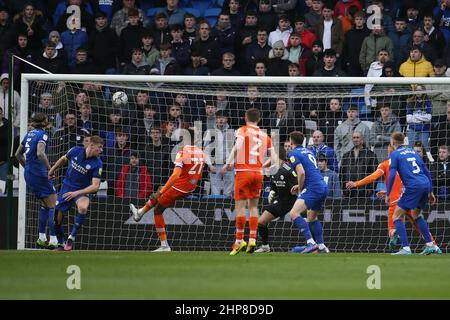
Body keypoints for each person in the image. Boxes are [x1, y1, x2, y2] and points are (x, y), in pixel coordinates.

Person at [346, 144, 438, 251]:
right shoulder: (405, 163)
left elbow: (374, 177)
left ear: (389, 151)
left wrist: (356, 183)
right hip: (409, 196)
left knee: (393, 225)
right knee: (417, 223)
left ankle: (398, 238)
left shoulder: (385, 164)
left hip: (395, 201)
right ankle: (434, 246)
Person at [130, 139, 206, 252]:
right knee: (162, 189)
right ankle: (140, 213)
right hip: (190, 188)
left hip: (179, 187)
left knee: (158, 210)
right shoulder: (201, 153)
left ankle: (164, 245)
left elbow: (175, 175)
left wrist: (160, 193)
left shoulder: (182, 152)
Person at [221, 108, 276, 255]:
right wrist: (262, 166)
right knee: (253, 207)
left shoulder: (242, 130)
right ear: (259, 119)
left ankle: (239, 240)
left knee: (240, 207)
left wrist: (229, 162)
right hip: (258, 174)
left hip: (243, 173)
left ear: (245, 118)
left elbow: (238, 146)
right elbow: (275, 158)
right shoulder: (265, 136)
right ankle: (252, 239)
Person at [386, 132, 441, 255]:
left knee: (396, 216)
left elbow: (392, 174)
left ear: (393, 142)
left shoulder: (395, 154)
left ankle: (406, 248)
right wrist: (431, 191)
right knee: (416, 215)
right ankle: (430, 245)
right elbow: (426, 171)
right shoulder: (413, 152)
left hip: (413, 187)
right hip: (425, 184)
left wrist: (388, 193)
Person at [48, 136, 104, 251]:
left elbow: (95, 186)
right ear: (91, 145)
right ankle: (61, 244)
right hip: (66, 188)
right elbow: (64, 159)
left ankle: (71, 237)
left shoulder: (97, 163)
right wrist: (52, 170)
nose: (101, 150)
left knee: (83, 208)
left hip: (81, 191)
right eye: (100, 147)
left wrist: (76, 193)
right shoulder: (75, 150)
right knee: (56, 220)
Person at [15, 113, 58, 249]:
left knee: (45, 205)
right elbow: (40, 153)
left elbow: (17, 154)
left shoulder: (29, 134)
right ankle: (53, 240)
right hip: (40, 174)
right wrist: (50, 169)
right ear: (45, 122)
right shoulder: (42, 134)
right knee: (53, 205)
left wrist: (27, 167)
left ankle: (41, 237)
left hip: (29, 174)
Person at [287, 131, 329, 253]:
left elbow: (302, 172)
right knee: (312, 217)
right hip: (322, 186)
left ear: (291, 141)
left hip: (313, 187)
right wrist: (299, 185)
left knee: (294, 213)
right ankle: (321, 246)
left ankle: (311, 243)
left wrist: (300, 188)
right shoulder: (308, 151)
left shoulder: (293, 153)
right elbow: (310, 171)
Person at [254, 144, 297, 253]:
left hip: (293, 202)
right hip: (281, 202)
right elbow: (274, 185)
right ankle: (265, 246)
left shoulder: (288, 170)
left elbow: (298, 186)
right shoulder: (273, 169)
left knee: (308, 221)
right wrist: (272, 191)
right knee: (261, 222)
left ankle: (315, 243)